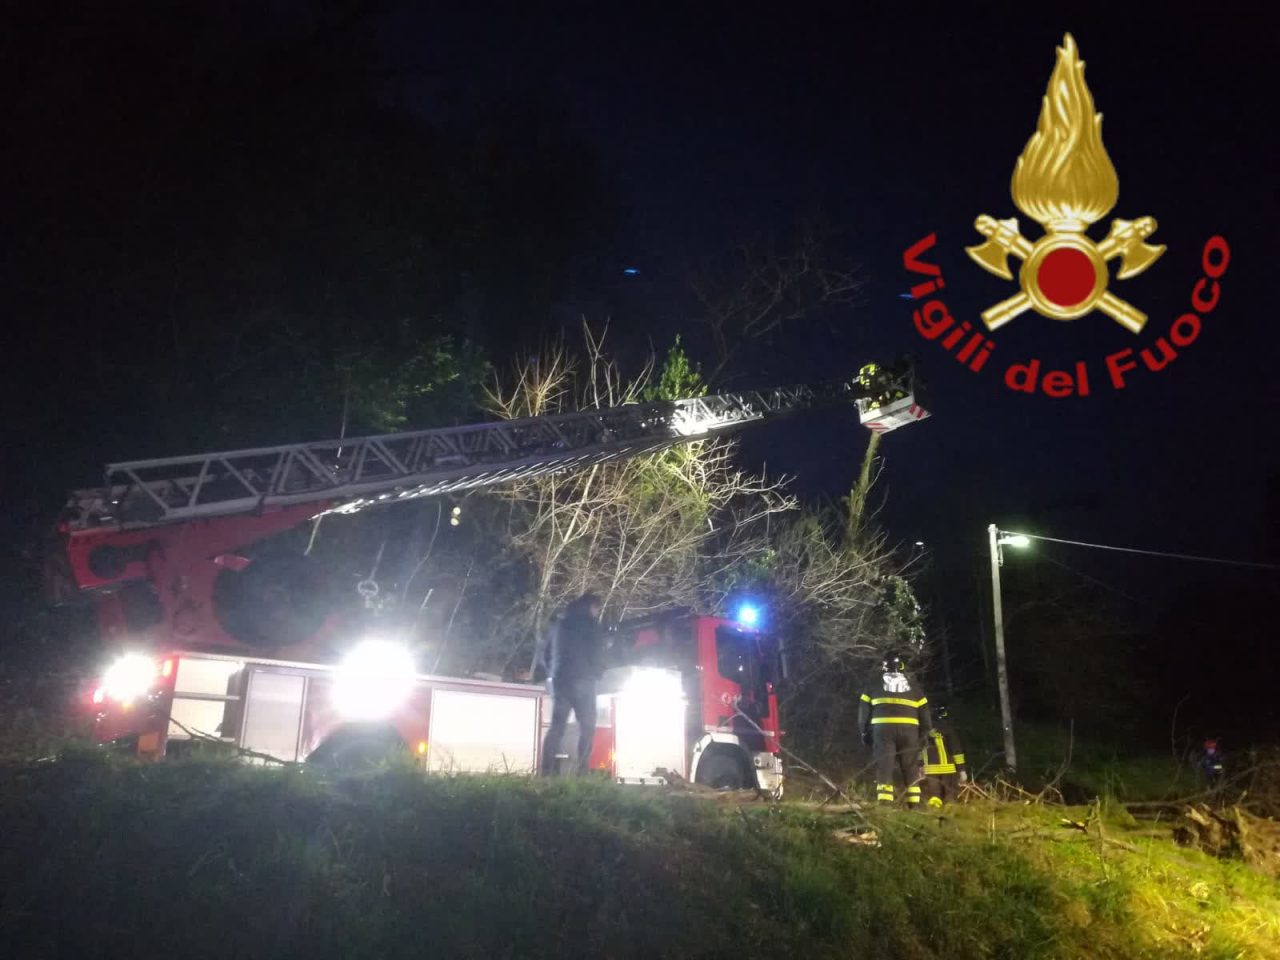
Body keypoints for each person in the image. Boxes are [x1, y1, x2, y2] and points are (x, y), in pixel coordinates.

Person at [538, 592, 604, 776]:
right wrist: (598, 672)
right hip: (584, 680)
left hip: (561, 681)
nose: (597, 613)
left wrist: (554, 672)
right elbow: (598, 653)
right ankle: (582, 772)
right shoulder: (592, 625)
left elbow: (545, 655)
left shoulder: (558, 625)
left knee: (557, 727)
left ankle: (546, 772)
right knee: (587, 726)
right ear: (592, 606)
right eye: (597, 609)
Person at [859, 653, 931, 807]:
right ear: (902, 667)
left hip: (883, 730)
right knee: (910, 767)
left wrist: (864, 731)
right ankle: (915, 805)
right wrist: (924, 734)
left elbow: (863, 710)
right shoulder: (914, 685)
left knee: (885, 767)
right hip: (910, 731)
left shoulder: (873, 683)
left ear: (884, 666)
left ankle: (885, 805)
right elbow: (925, 712)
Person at [921, 703, 967, 808]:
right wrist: (962, 769)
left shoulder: (923, 732)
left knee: (934, 798)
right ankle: (950, 816)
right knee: (950, 798)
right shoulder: (948, 729)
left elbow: (918, 750)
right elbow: (956, 750)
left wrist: (920, 766)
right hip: (948, 770)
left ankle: (935, 817)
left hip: (931, 770)